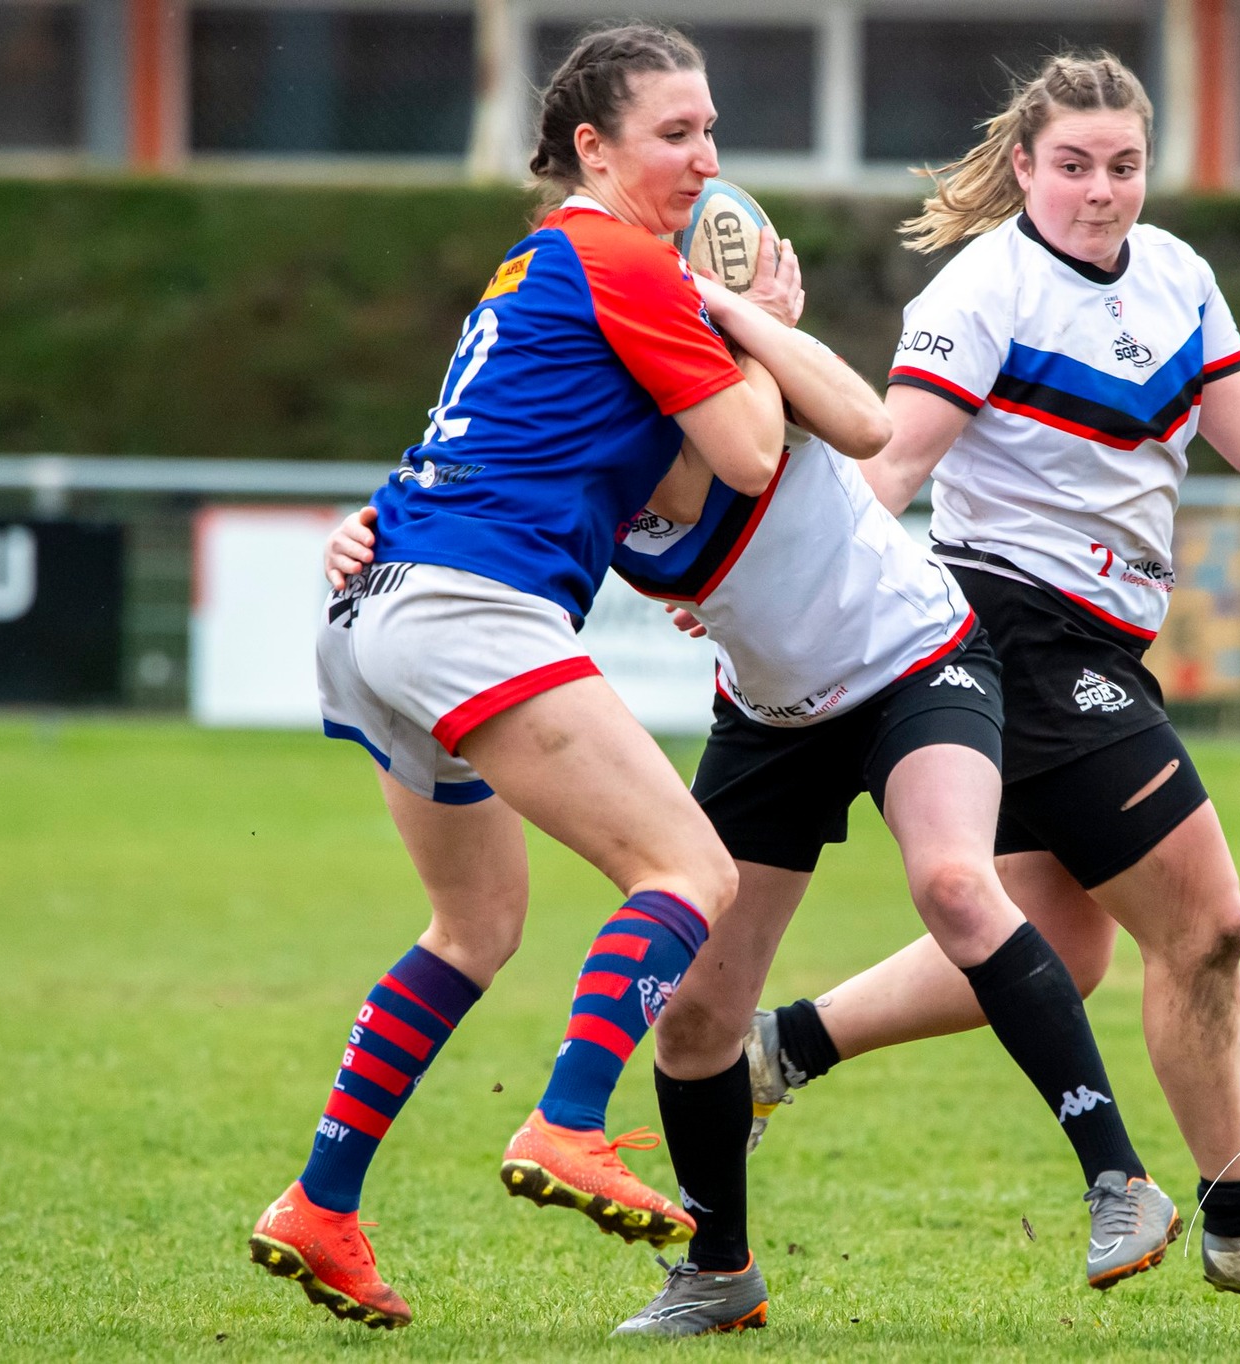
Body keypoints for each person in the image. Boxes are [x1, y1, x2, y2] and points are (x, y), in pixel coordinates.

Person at [741, 51, 1240, 1307]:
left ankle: (778, 1049)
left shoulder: (1174, 275)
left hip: (1095, 642)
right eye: (1073, 167)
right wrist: (762, 576)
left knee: (1056, 947)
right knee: (1207, 925)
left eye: (1123, 166)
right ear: (1025, 167)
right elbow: (887, 466)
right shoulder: (981, 289)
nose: (1101, 191)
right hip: (1015, 630)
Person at [323, 253, 1184, 1338]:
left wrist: (750, 316)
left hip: (918, 662)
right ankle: (718, 1271)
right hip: (772, 717)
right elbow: (471, 487)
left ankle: (1118, 1180)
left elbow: (869, 427)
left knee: (956, 882)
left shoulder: (737, 375)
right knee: (693, 1015)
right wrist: (365, 528)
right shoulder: (593, 449)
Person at [245, 23, 835, 1330]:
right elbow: (747, 456)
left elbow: (668, 481)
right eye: (676, 133)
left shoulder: (540, 264)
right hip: (470, 612)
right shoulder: (624, 257)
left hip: (377, 607)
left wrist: (731, 336)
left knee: (475, 928)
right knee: (691, 872)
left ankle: (320, 1209)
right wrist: (765, 329)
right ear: (593, 146)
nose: (707, 157)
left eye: (711, 130)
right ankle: (569, 1120)